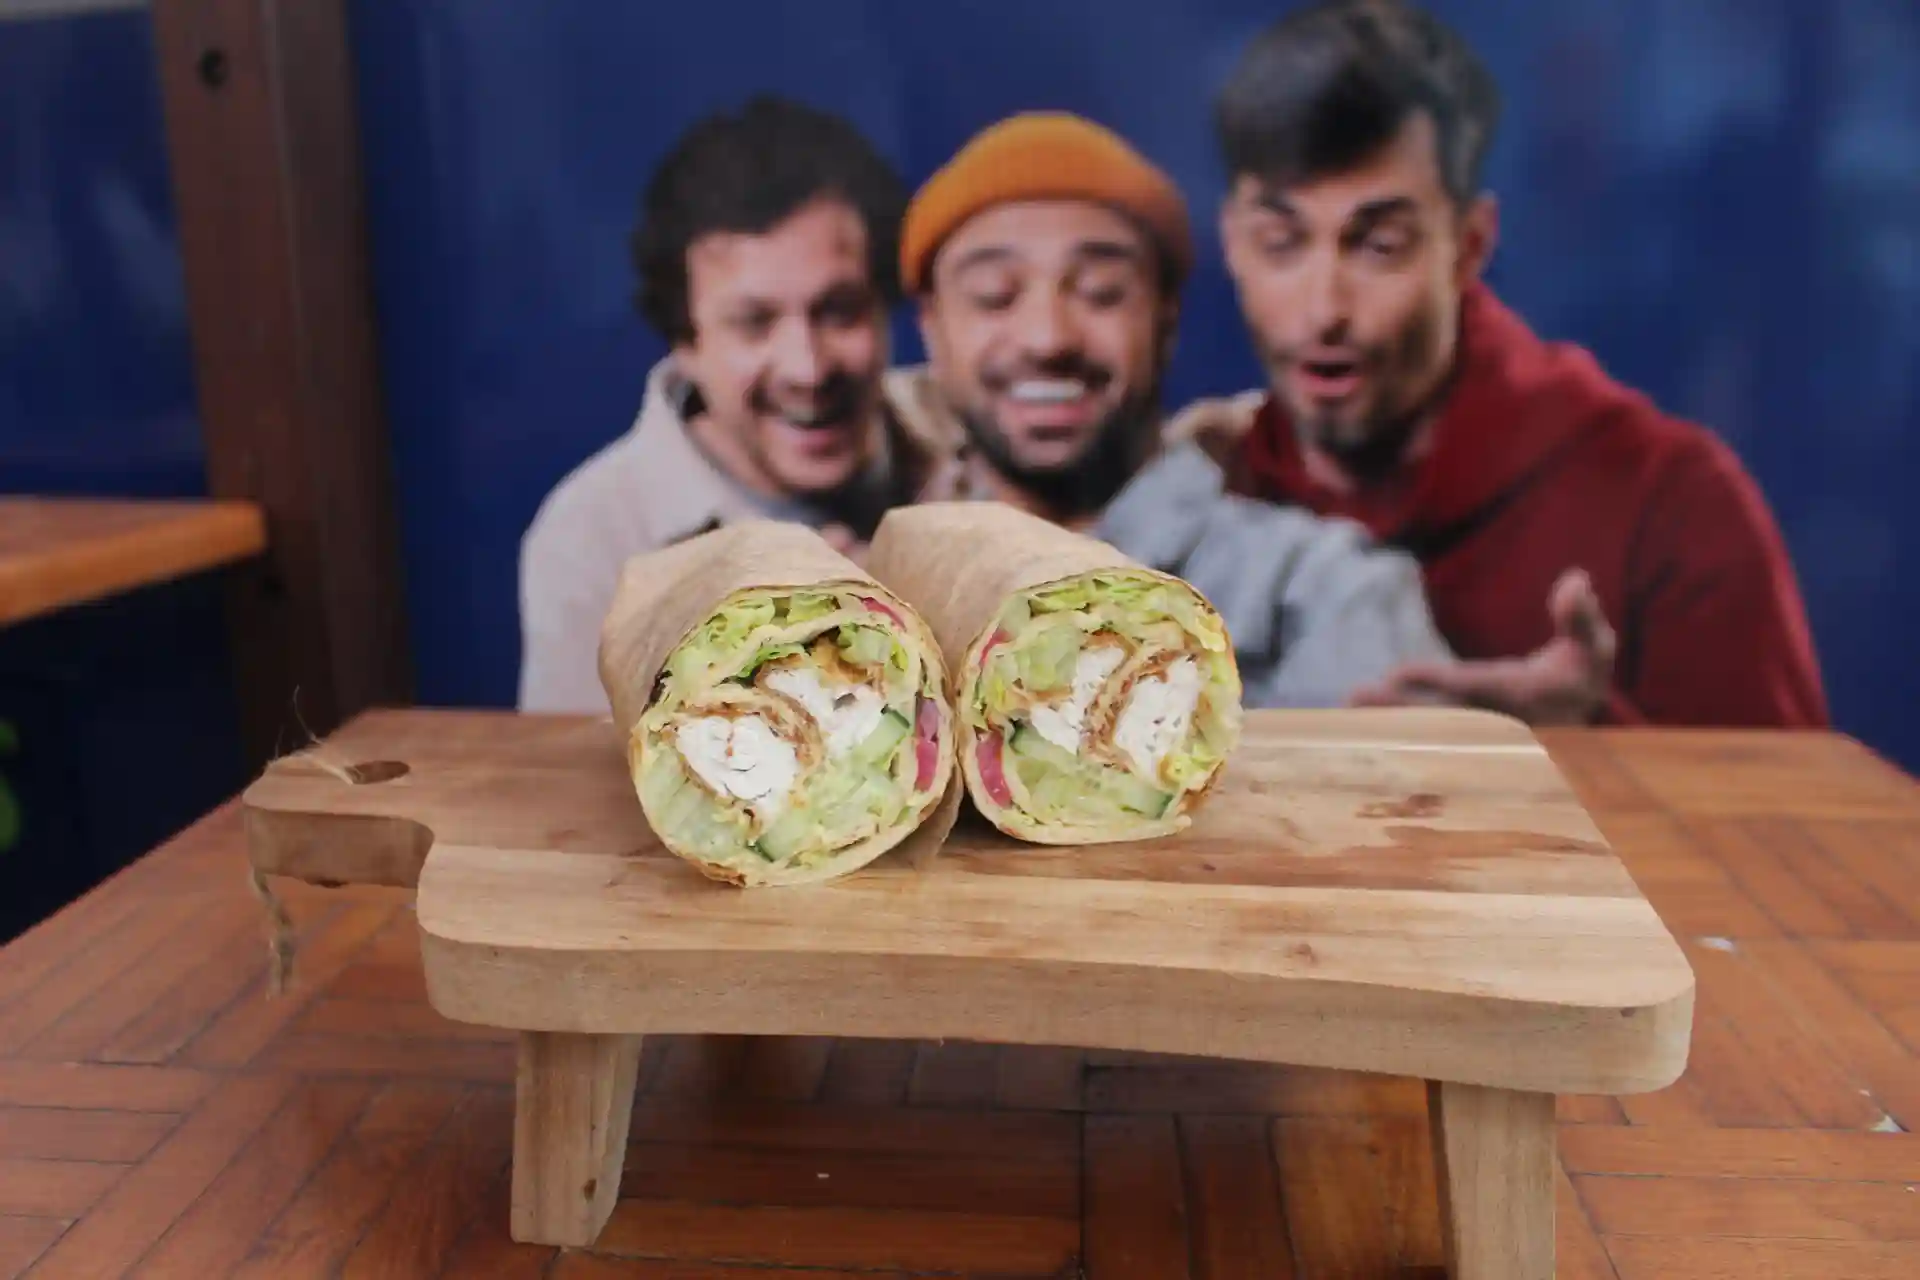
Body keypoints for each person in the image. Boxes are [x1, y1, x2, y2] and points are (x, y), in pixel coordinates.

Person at [1190, 0, 1826, 727]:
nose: (1323, 309)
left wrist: (1592, 744)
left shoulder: (1675, 508)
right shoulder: (1200, 492)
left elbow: (1785, 801)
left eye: (1379, 246)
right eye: (1281, 244)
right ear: (1233, 242)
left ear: (1469, 247)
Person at [890, 111, 1455, 708]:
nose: (1047, 338)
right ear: (932, 328)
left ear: (1166, 319)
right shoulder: (877, 599)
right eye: (994, 296)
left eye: (1102, 291)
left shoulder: (1327, 588)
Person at [516, 96, 943, 713]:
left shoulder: (964, 441)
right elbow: (572, 772)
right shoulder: (593, 535)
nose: (807, 368)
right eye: (753, 322)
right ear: (685, 341)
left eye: (840, 311)